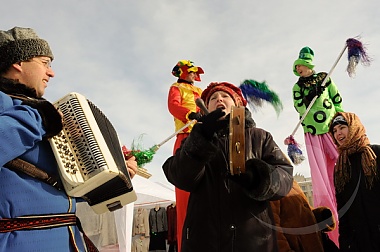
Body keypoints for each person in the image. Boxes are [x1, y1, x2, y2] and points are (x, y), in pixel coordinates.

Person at [0, 26, 138, 252]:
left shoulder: (36, 114)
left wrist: (113, 178)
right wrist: (38, 117)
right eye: (45, 63)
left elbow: (56, 189)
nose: (51, 73)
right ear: (19, 62)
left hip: (67, 239)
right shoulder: (14, 107)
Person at [163, 81, 293, 251]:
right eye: (213, 98)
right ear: (205, 108)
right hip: (203, 241)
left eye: (225, 96)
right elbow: (180, 177)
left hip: (253, 242)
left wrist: (259, 178)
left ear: (238, 103)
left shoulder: (260, 137)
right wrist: (201, 139)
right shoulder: (193, 140)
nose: (219, 100)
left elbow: (285, 177)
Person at [290, 46, 344, 246]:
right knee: (320, 171)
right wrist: (308, 95)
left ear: (307, 65)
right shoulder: (298, 87)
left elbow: (336, 98)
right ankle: (329, 212)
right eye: (297, 68)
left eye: (301, 66)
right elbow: (299, 106)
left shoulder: (325, 77)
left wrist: (341, 117)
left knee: (341, 159)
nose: (299, 70)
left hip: (330, 125)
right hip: (312, 130)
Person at [329, 112, 380, 251]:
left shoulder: (375, 153)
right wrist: (345, 242)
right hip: (360, 242)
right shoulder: (340, 168)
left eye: (342, 127)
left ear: (353, 127)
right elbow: (343, 209)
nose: (338, 133)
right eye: (334, 131)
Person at [167, 59, 204, 251]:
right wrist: (189, 115)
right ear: (182, 72)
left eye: (194, 72)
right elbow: (173, 106)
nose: (193, 75)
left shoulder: (200, 91)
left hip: (205, 141)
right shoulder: (175, 87)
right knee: (185, 199)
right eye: (190, 72)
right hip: (186, 139)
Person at [270, 180, 338, 252]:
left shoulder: (291, 183)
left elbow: (303, 210)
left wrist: (320, 215)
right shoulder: (271, 187)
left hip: (314, 243)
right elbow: (272, 229)